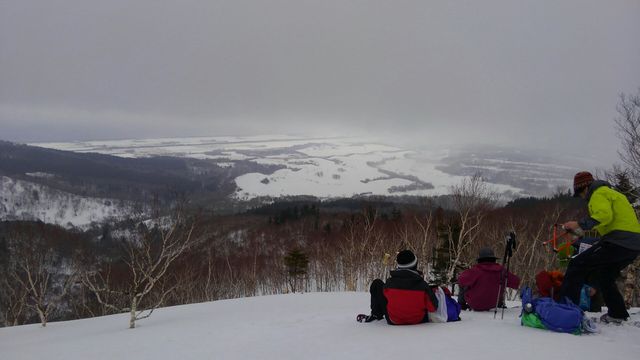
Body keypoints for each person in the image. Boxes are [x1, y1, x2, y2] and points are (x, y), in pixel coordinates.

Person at [560, 171, 640, 323]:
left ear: (583, 188)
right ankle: (617, 314)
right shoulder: (613, 194)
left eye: (580, 194)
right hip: (633, 244)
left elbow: (603, 216)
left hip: (618, 241)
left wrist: (578, 223)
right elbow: (608, 220)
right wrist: (579, 230)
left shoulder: (598, 193)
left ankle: (566, 311)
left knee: (577, 264)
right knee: (605, 275)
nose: (582, 198)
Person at [358, 250, 438, 325]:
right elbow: (433, 308)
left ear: (399, 266)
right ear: (415, 265)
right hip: (418, 320)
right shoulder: (423, 285)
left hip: (393, 320)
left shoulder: (390, 283)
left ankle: (376, 314)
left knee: (377, 283)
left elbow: (385, 297)